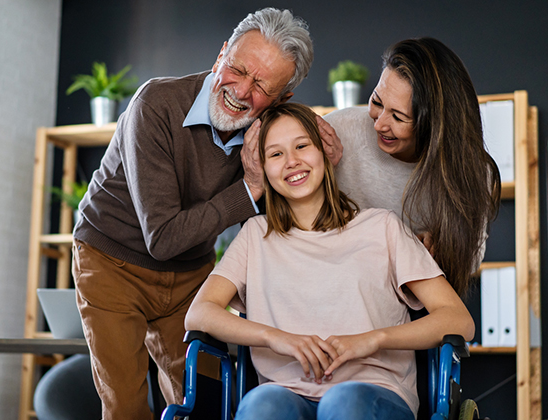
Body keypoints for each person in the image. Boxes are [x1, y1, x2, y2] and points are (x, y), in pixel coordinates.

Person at [71, 8, 318, 420]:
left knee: (206, 399)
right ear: (221, 53)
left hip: (190, 272)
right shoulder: (157, 104)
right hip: (112, 260)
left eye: (261, 85)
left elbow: (270, 226)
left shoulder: (268, 133)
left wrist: (317, 138)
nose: (241, 90)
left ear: (280, 100)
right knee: (127, 405)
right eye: (237, 68)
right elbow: (163, 237)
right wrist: (250, 188)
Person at [185, 103, 475, 420]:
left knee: (343, 403)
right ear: (263, 169)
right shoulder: (256, 236)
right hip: (286, 395)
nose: (292, 161)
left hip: (371, 395)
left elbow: (458, 320)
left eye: (301, 146)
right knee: (262, 406)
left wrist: (372, 340)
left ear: (325, 151)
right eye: (276, 154)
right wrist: (275, 338)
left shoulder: (383, 227)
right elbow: (200, 314)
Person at [319, 37, 501, 296]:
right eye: (377, 102)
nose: (379, 124)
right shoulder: (340, 130)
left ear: (436, 126)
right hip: (335, 292)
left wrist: (443, 250)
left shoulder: (472, 171)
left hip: (405, 307)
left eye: (398, 116)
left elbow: (471, 261)